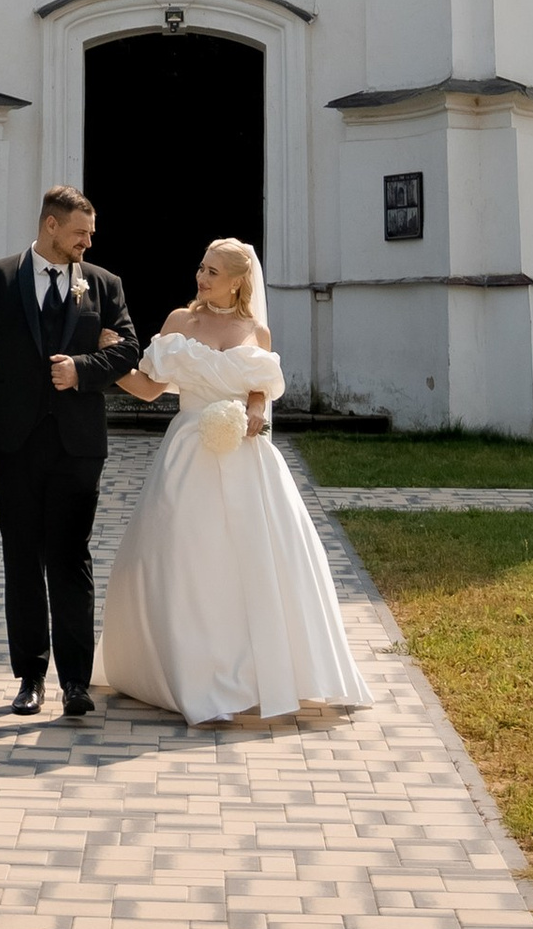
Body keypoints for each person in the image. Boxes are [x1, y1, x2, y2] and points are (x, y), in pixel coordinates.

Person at [97, 235, 372, 724]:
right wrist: (109, 360)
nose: (201, 278)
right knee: (187, 556)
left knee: (255, 558)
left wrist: (255, 414)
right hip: (187, 456)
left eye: (213, 272)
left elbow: (260, 392)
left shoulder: (255, 332)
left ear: (239, 281)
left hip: (246, 458)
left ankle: (253, 670)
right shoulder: (179, 323)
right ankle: (186, 670)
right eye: (201, 268)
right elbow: (147, 390)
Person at [0, 184, 138, 717]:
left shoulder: (104, 284)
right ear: (50, 226)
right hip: (11, 442)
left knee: (71, 556)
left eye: (92, 234)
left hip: (78, 447)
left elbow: (129, 347)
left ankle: (76, 682)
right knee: (22, 558)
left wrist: (83, 370)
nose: (88, 243)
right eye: (81, 233)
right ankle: (29, 676)